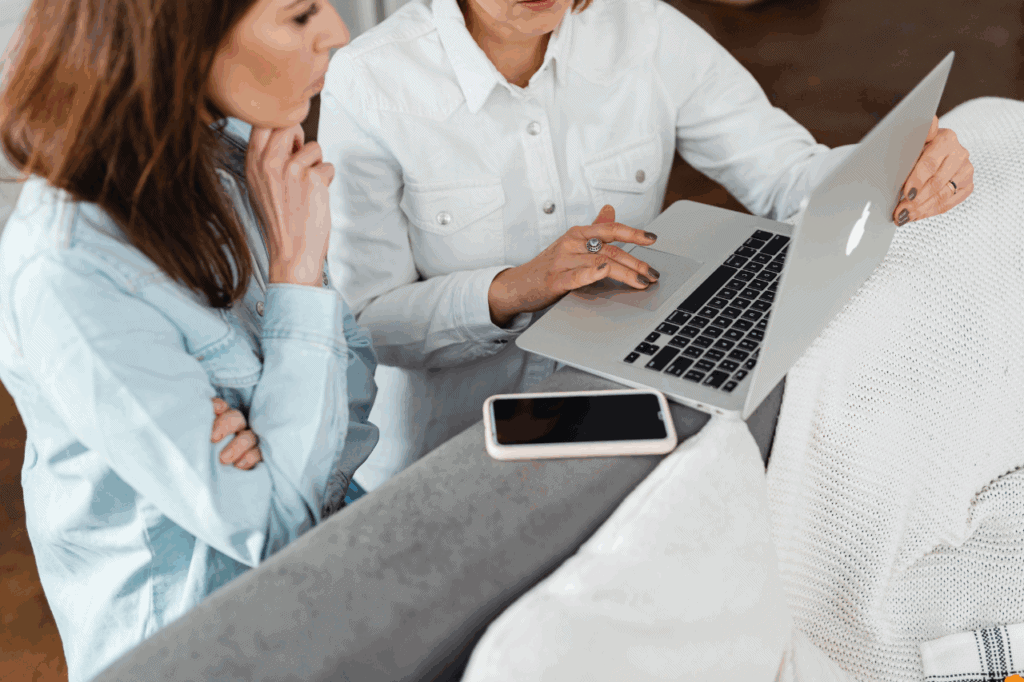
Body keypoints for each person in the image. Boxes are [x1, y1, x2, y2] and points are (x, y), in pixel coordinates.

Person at [319, 0, 972, 491]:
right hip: (452, 452)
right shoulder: (369, 83)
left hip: (628, 417)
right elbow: (366, 324)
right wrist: (517, 287)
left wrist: (895, 168)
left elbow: (787, 175)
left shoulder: (648, 29)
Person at [0, 0, 377, 679]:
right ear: (183, 40)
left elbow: (353, 395)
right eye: (299, 15)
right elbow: (274, 525)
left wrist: (271, 432)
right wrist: (298, 272)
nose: (337, 33)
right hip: (199, 645)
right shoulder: (67, 270)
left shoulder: (241, 163)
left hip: (327, 586)